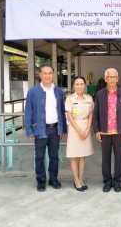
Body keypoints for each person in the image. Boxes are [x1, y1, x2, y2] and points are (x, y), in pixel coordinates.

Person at [24, 64, 67, 192]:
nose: (47, 75)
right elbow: (28, 112)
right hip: (40, 129)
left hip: (54, 129)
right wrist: (29, 130)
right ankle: (41, 180)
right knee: (40, 156)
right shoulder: (33, 91)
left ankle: (53, 179)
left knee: (54, 156)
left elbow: (61, 111)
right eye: (45, 73)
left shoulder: (58, 91)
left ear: (53, 75)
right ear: (40, 75)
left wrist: (62, 129)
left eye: (50, 73)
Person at [92, 68, 121, 192]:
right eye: (110, 77)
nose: (112, 79)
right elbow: (96, 114)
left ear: (118, 79)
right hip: (104, 132)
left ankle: (117, 181)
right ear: (105, 79)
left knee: (118, 158)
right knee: (106, 158)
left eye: (114, 77)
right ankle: (107, 181)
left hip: (119, 132)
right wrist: (97, 130)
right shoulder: (100, 94)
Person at [65, 76, 94, 192]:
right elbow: (69, 116)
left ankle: (81, 179)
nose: (79, 86)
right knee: (74, 156)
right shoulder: (70, 98)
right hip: (74, 128)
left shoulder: (89, 98)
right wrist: (78, 130)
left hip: (85, 125)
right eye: (77, 84)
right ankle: (76, 180)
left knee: (82, 156)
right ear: (73, 86)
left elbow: (91, 114)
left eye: (81, 84)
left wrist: (87, 129)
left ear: (85, 86)